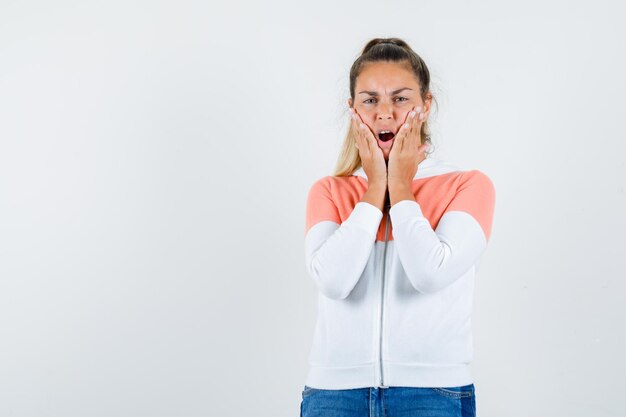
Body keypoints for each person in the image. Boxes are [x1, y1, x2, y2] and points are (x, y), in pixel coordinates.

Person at [300, 37, 496, 417]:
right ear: (352, 109)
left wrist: (401, 186)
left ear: (426, 105)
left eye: (400, 98)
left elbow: (429, 273)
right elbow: (333, 282)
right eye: (370, 100)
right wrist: (375, 188)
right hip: (333, 394)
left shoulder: (467, 185)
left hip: (433, 393)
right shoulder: (330, 190)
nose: (384, 113)